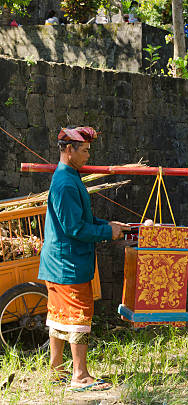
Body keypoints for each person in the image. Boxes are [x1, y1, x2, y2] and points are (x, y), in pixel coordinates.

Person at [38, 127, 130, 390]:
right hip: (68, 263)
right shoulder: (66, 182)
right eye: (85, 150)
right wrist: (106, 232)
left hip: (58, 262)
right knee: (78, 315)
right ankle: (80, 375)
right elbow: (75, 228)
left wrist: (109, 224)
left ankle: (56, 370)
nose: (89, 155)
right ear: (69, 150)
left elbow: (81, 220)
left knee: (58, 316)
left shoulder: (68, 177)